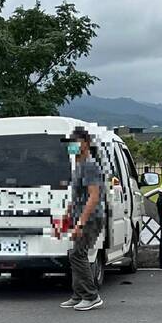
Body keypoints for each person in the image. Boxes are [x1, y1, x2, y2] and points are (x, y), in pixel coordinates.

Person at [58, 127, 105, 311]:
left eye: (75, 142)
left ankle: (90, 295)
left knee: (78, 254)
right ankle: (78, 294)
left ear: (85, 143)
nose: (72, 146)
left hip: (91, 218)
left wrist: (81, 222)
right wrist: (68, 212)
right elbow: (78, 195)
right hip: (80, 216)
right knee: (75, 254)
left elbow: (93, 196)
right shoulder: (78, 165)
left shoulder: (90, 166)